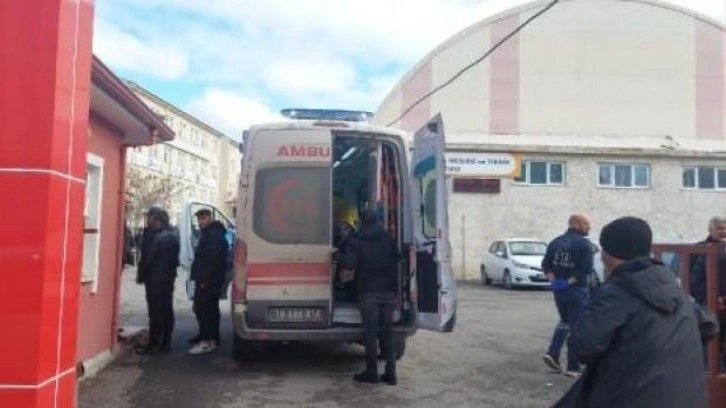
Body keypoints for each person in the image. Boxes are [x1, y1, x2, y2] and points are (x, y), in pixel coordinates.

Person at [554, 216, 709, 408]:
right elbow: (709, 325)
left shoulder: (616, 293)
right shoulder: (674, 289)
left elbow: (582, 347)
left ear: (609, 255)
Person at [340, 210, 401, 385]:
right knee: (387, 333)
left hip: (369, 292)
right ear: (377, 221)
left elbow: (349, 264)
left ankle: (371, 372)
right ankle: (390, 373)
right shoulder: (388, 238)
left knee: (371, 333)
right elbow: (397, 258)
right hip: (388, 292)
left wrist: (337, 255)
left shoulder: (357, 240)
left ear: (361, 222)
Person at [542, 214, 593, 377]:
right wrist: (569, 282)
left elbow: (546, 264)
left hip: (559, 291)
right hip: (576, 290)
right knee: (576, 327)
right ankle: (573, 366)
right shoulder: (585, 244)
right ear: (576, 224)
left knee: (565, 321)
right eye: (586, 224)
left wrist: (555, 282)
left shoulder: (555, 242)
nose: (589, 227)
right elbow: (585, 269)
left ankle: (553, 353)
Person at [136, 207, 180, 355]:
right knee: (167, 310)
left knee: (155, 312)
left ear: (156, 219)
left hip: (155, 279)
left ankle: (154, 343)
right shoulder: (173, 234)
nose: (147, 220)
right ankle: (166, 343)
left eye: (149, 217)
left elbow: (148, 259)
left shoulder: (154, 236)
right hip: (168, 278)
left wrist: (141, 275)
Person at [188, 208, 229, 355]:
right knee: (204, 308)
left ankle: (207, 341)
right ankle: (207, 336)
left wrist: (205, 279)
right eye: (199, 219)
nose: (200, 222)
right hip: (207, 278)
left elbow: (213, 260)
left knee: (205, 309)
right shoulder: (209, 233)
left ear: (210, 218)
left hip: (209, 280)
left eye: (203, 218)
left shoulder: (214, 235)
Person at [690, 216, 726, 371]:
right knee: (711, 344)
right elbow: (695, 280)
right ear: (710, 230)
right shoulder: (700, 250)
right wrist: (710, 298)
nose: (724, 232)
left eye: (725, 228)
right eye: (720, 228)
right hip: (709, 305)